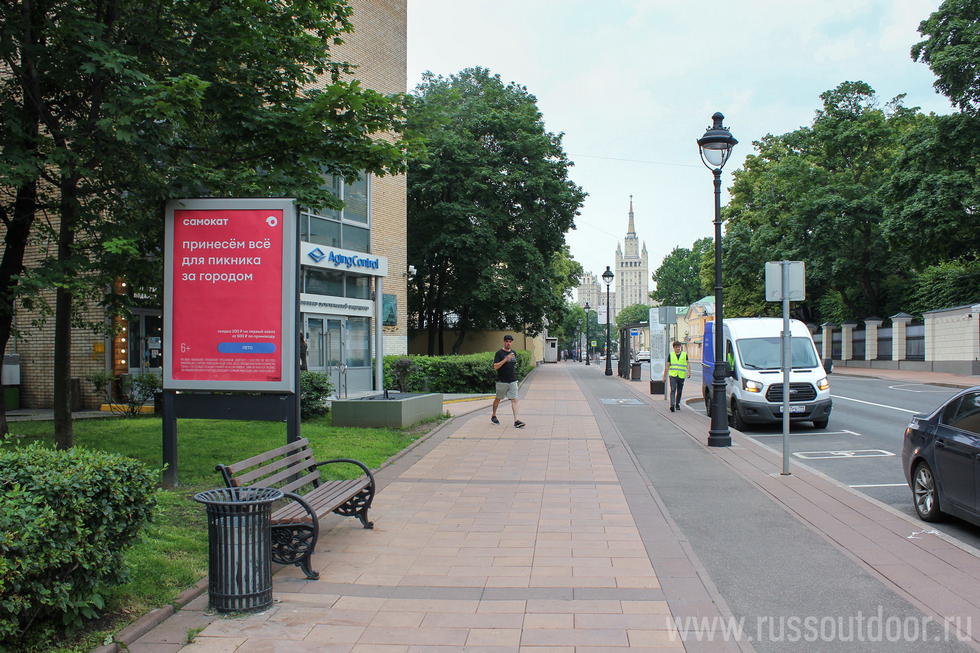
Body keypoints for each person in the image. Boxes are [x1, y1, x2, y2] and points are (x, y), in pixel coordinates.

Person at [491, 334, 525, 428]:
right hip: (502, 381)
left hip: (513, 380)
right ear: (504, 342)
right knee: (498, 399)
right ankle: (493, 415)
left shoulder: (514, 352)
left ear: (512, 342)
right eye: (507, 341)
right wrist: (505, 359)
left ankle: (516, 420)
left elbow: (513, 364)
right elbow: (495, 366)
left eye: (510, 341)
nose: (508, 343)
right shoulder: (499, 353)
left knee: (514, 400)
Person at [664, 340, 689, 412]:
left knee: (679, 391)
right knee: (673, 389)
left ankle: (677, 403)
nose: (678, 348)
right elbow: (667, 366)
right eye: (677, 347)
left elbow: (688, 364)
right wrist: (664, 376)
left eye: (679, 347)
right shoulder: (671, 355)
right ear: (674, 348)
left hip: (681, 375)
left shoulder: (684, 355)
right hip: (673, 375)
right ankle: (672, 405)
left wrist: (689, 372)